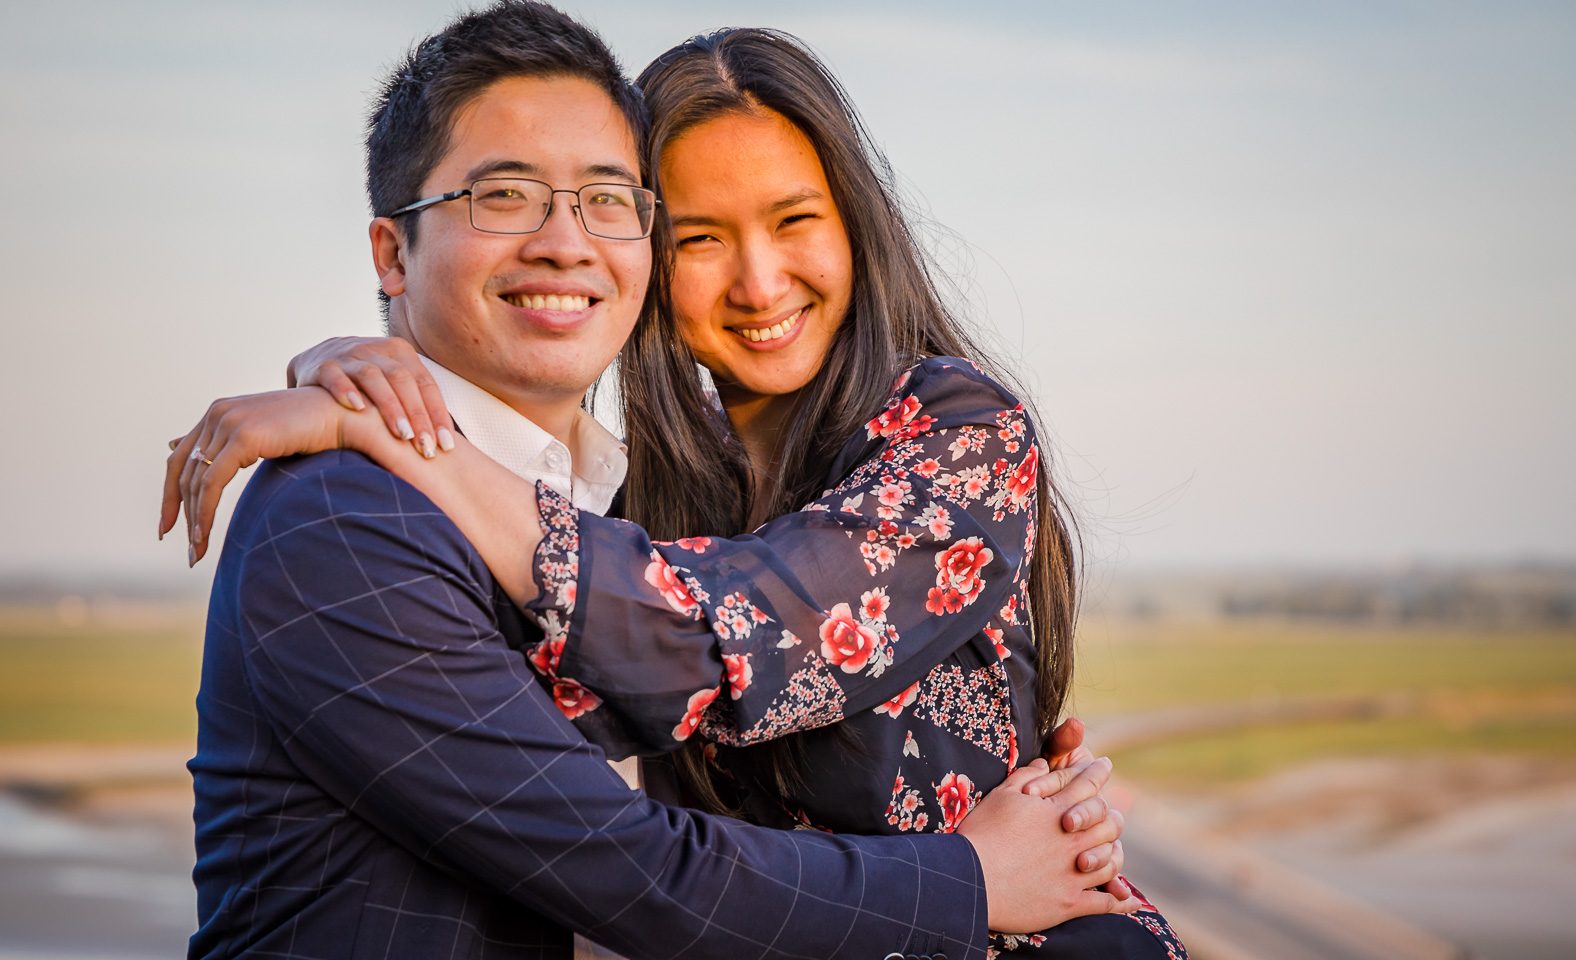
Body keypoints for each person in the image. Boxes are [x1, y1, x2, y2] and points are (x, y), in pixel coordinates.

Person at [171, 4, 1136, 959]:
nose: (759, 283)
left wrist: (385, 415)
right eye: (702, 238)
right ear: (392, 251)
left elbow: (714, 640)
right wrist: (973, 881)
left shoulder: (951, 429)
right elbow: (633, 869)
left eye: (602, 200)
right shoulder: (360, 512)